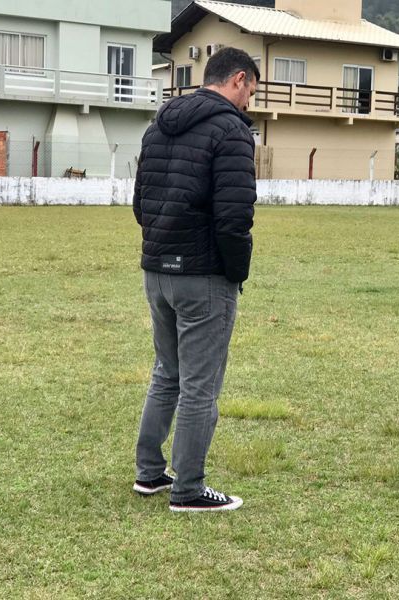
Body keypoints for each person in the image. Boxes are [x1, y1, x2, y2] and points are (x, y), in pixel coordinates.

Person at [131, 47, 259, 512]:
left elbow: (140, 204)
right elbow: (234, 216)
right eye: (251, 91)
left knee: (167, 373)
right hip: (204, 275)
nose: (249, 101)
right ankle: (188, 489)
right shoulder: (231, 130)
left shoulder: (157, 126)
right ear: (238, 79)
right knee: (200, 386)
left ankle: (149, 472)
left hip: (156, 269)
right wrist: (236, 271)